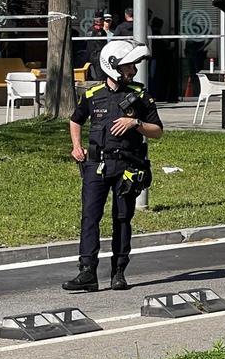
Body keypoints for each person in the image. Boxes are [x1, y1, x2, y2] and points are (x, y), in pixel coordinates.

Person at [64, 39, 163, 293]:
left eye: (133, 66)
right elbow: (75, 120)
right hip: (96, 164)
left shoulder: (141, 95)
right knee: (90, 217)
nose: (133, 71)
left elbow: (158, 131)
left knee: (122, 218)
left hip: (127, 166)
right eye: (129, 66)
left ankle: (119, 272)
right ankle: (87, 272)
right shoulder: (92, 95)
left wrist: (136, 124)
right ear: (113, 66)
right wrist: (77, 147)